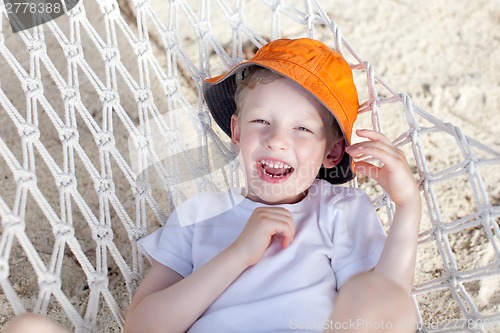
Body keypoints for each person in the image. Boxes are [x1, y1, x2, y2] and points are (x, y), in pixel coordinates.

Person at [4, 38, 420, 333]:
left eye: (302, 129)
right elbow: (143, 327)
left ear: (332, 153)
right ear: (237, 131)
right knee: (27, 327)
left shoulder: (338, 211)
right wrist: (239, 253)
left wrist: (408, 206)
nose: (277, 139)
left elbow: (387, 307)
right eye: (262, 122)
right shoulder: (198, 215)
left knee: (381, 297)